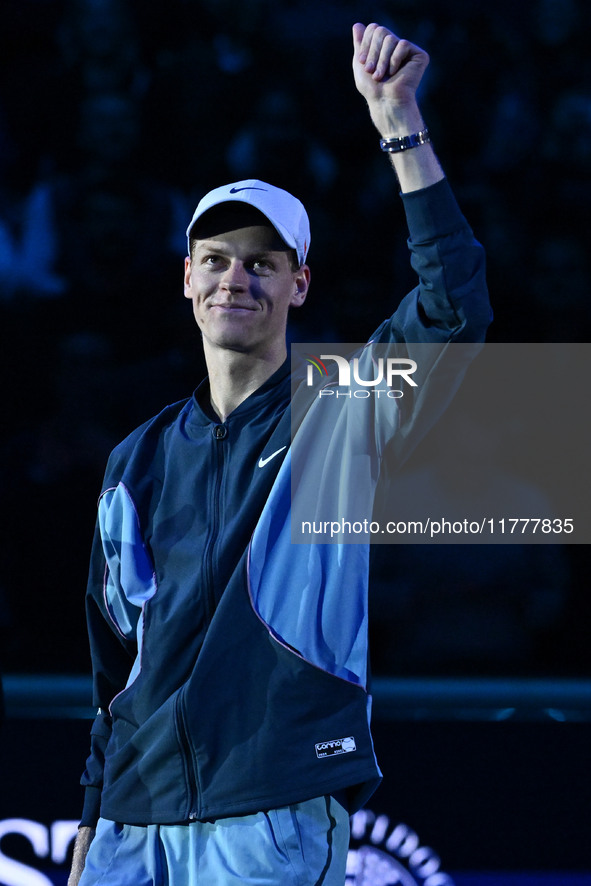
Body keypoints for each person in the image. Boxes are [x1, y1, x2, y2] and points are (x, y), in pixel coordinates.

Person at [69, 22, 491, 886]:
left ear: (300, 283)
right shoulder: (134, 460)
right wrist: (90, 819)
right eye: (216, 260)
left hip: (272, 809)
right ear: (185, 277)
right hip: (129, 822)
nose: (236, 279)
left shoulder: (335, 413)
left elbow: (453, 312)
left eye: (263, 263)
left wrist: (397, 124)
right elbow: (115, 670)